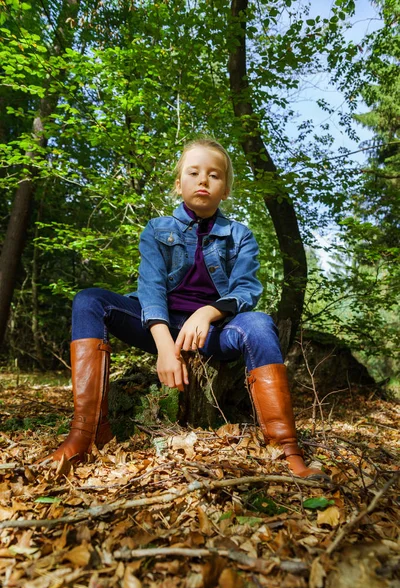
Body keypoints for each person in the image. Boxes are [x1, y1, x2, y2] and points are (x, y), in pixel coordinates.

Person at [40, 139, 326, 480]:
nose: (203, 180)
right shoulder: (157, 230)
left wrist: (207, 313)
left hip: (214, 333)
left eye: (214, 175)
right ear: (179, 183)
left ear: (226, 189)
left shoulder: (240, 236)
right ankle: (86, 434)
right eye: (194, 173)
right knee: (89, 300)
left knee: (260, 323)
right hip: (158, 326)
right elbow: (150, 289)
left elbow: (246, 289)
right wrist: (163, 347)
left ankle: (285, 448)